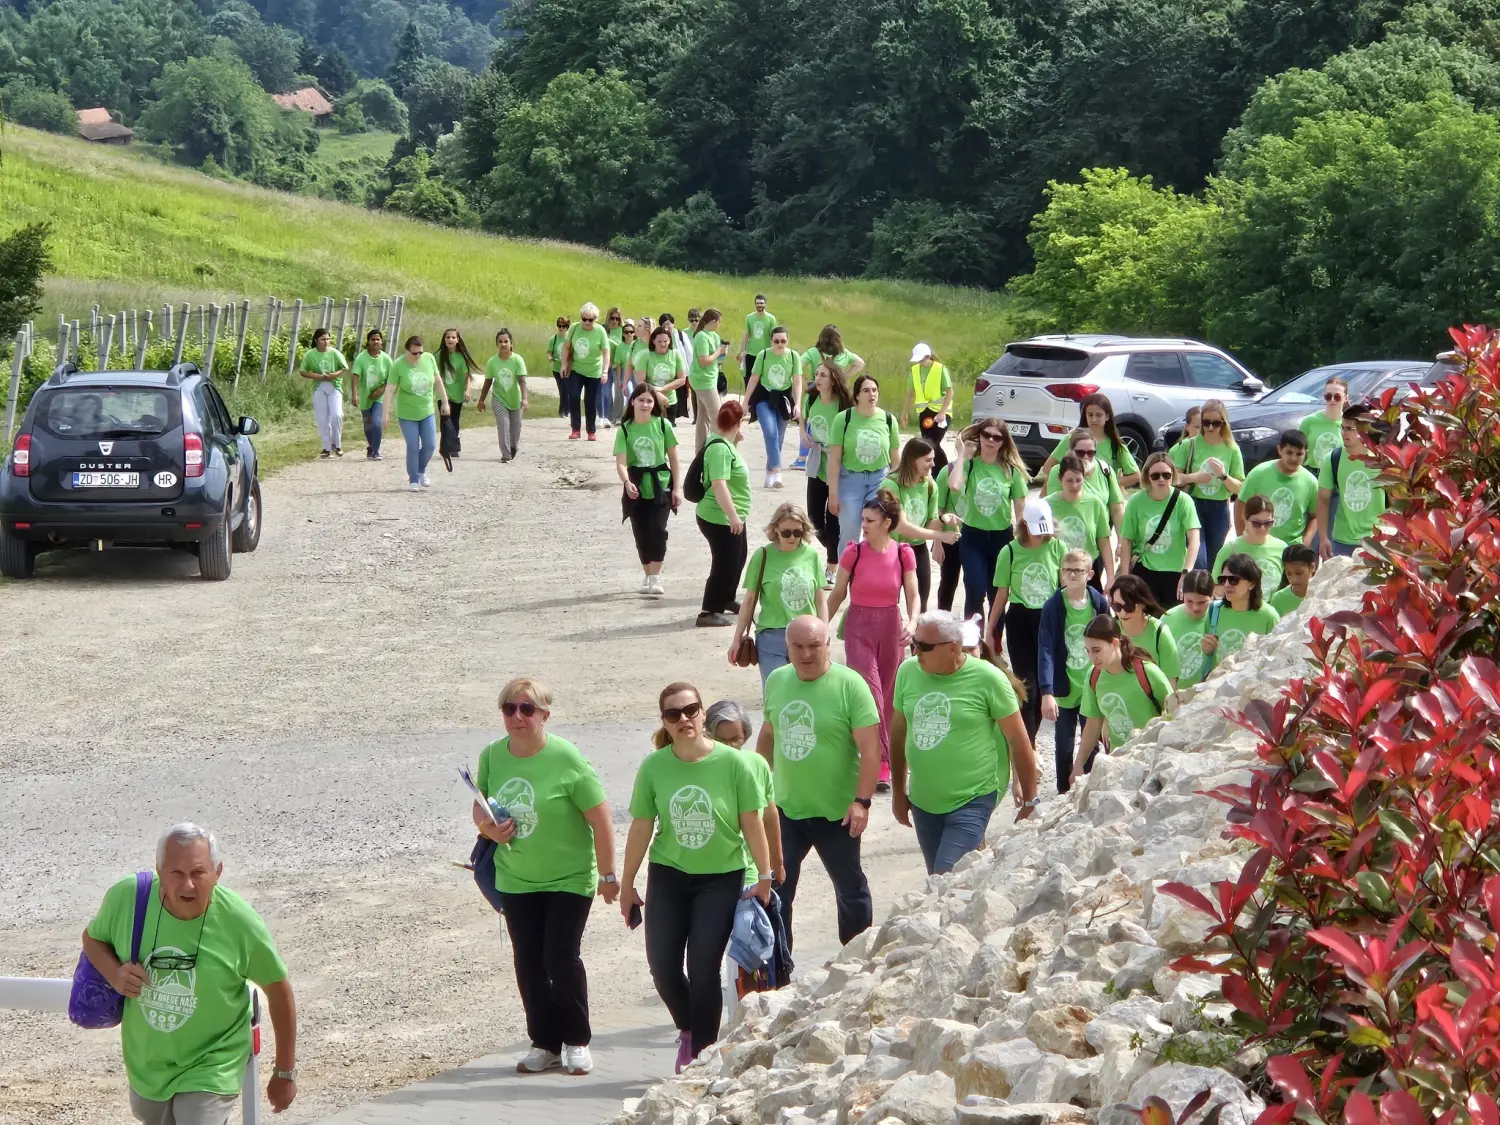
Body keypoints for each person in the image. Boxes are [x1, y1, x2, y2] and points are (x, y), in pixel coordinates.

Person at [82, 824, 297, 1125]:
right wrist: (115, 974)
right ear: (159, 870)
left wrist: (284, 1073)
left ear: (217, 872)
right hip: (148, 1063)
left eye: (198, 873)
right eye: (176, 873)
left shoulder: (239, 922)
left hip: (213, 1058)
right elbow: (93, 938)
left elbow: (278, 989)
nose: (188, 886)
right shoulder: (128, 899)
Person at [621, 683, 773, 1073]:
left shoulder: (734, 763)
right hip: (669, 873)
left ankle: (703, 1055)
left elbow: (752, 823)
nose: (684, 719)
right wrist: (626, 885)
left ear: (702, 713)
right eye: (674, 714)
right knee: (663, 966)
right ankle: (689, 1027)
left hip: (720, 876)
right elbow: (640, 827)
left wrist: (766, 875)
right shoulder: (654, 766)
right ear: (665, 723)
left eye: (691, 710)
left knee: (703, 967)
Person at [471, 679, 616, 1077]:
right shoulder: (491, 756)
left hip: (569, 877)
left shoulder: (567, 758)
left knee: (560, 957)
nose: (517, 716)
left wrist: (608, 875)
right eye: (509, 709)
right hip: (517, 877)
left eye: (527, 709)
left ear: (544, 715)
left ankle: (576, 1041)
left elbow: (601, 820)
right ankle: (544, 1042)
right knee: (529, 961)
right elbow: (480, 808)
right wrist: (488, 830)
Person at [755, 616, 881, 949]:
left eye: (814, 646)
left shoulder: (850, 685)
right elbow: (769, 733)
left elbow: (870, 751)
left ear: (828, 645)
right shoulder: (778, 680)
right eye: (798, 646)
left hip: (836, 812)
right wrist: (755, 785)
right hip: (786, 809)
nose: (806, 654)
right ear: (787, 647)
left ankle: (856, 959)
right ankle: (778, 967)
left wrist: (862, 802)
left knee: (850, 888)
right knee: (777, 888)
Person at [891, 611, 1041, 874]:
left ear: (952, 648)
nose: (916, 652)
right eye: (914, 643)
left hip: (971, 799)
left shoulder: (988, 679)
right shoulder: (907, 672)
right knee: (941, 884)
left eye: (924, 647)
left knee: (944, 876)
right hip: (924, 801)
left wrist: (1030, 801)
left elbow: (1019, 742)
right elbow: (899, 734)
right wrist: (897, 792)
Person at [986, 497, 1065, 742]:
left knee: (1045, 685)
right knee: (1026, 685)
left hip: (1048, 619)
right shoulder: (1009, 552)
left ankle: (1029, 741)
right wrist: (990, 630)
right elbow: (1001, 594)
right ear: (1024, 525)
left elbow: (1064, 589)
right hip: (1020, 618)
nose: (1041, 536)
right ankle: (1028, 749)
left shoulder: (1057, 548)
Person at [729, 503, 829, 687]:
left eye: (797, 532)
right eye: (786, 532)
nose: (792, 537)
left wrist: (824, 632)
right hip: (771, 636)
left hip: (806, 637)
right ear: (775, 528)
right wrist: (737, 639)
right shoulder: (762, 555)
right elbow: (749, 600)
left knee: (807, 691)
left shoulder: (812, 555)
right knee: (776, 693)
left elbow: (820, 599)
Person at [1072, 615, 1174, 786]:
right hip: (1117, 762)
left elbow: (1174, 713)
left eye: (1096, 650)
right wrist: (1078, 764)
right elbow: (1093, 723)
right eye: (1087, 651)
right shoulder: (1093, 676)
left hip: (1152, 761)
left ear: (1114, 643)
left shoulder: (1147, 672)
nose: (1092, 657)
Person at [1038, 550, 1110, 792]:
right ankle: (1063, 792)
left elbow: (1110, 639)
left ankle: (1089, 789)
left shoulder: (1098, 601)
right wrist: (1047, 691)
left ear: (1090, 574)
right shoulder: (1053, 606)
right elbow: (1046, 647)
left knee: (1092, 741)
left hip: (1093, 683)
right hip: (1065, 684)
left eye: (1078, 571)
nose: (1072, 575)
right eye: (1067, 570)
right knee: (1064, 744)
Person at [945, 420, 1030, 621]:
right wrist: (961, 456)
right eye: (986, 435)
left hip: (1002, 539)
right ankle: (973, 643)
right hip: (972, 537)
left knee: (997, 595)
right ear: (980, 437)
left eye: (997, 437)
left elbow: (1021, 512)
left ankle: (994, 644)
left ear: (1003, 442)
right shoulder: (970, 466)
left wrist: (1022, 543)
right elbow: (955, 485)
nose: (990, 440)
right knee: (974, 590)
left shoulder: (1011, 471)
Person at [617, 383, 683, 596]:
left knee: (657, 529)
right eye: (641, 400)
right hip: (636, 483)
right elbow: (620, 462)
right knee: (641, 533)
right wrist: (627, 482)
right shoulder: (625, 428)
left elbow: (674, 459)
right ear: (633, 401)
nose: (645, 404)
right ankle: (647, 575)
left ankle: (655, 577)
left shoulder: (663, 425)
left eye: (649, 400)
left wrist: (677, 489)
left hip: (660, 484)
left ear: (654, 404)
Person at [826, 374, 902, 558]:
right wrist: (833, 493)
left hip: (879, 479)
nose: (872, 395)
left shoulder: (888, 420)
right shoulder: (843, 419)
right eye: (866, 390)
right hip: (850, 480)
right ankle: (846, 576)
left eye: (875, 390)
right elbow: (834, 458)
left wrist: (896, 488)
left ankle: (875, 572)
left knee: (879, 529)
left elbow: (895, 458)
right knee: (850, 532)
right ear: (857, 395)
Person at [880, 438, 959, 612]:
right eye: (928, 460)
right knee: (887, 604)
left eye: (933, 459)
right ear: (913, 459)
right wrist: (940, 536)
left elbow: (930, 524)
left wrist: (944, 519)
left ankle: (917, 639)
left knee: (919, 606)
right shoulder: (890, 484)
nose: (933, 464)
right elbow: (901, 526)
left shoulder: (930, 485)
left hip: (918, 549)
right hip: (892, 550)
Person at [1120, 450, 1202, 608]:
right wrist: (1124, 576)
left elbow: (1194, 540)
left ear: (1173, 475)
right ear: (1147, 477)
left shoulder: (1184, 501)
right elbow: (1126, 539)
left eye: (1166, 475)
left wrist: (1186, 573)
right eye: (1155, 475)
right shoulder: (1136, 502)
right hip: (1145, 569)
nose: (1161, 479)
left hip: (1175, 572)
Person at [696, 400, 752, 627]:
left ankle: (727, 598)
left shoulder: (724, 443)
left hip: (730, 515)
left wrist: (735, 439)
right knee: (725, 563)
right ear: (738, 423)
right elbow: (719, 484)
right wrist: (732, 516)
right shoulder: (719, 448)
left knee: (738, 558)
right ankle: (708, 610)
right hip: (719, 517)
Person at [1171, 397, 1244, 568]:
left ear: (1223, 423)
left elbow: (1240, 488)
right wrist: (1194, 477)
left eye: (1216, 423)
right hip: (1193, 504)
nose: (1210, 427)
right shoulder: (1188, 445)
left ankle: (1205, 594)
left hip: (1219, 509)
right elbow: (1173, 478)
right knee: (1199, 559)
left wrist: (1224, 476)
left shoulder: (1232, 449)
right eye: (1206, 422)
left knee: (1214, 561)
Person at [1316, 404, 1387, 560]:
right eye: (1342, 427)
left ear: (1364, 430)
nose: (1344, 433)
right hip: (1343, 540)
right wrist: (1322, 538)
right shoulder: (1332, 458)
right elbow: (1323, 500)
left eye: (1350, 429)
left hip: (1377, 539)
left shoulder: (1382, 457)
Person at [802, 362, 853, 569]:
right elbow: (804, 418)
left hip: (838, 465)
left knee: (833, 517)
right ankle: (838, 548)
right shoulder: (811, 397)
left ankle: (832, 565)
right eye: (817, 374)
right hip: (817, 459)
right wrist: (802, 433)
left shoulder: (843, 403)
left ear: (833, 379)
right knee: (814, 517)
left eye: (823, 375)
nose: (818, 378)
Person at [383, 335, 450, 491]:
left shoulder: (429, 359)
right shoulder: (398, 365)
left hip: (426, 410)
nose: (418, 356)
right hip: (407, 413)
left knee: (430, 445)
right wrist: (385, 413)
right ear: (407, 351)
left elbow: (438, 380)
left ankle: (421, 470)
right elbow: (390, 390)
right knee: (413, 446)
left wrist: (445, 402)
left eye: (420, 352)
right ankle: (413, 478)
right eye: (414, 353)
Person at [743, 326, 805, 489]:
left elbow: (797, 381)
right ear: (771, 340)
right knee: (771, 433)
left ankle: (769, 473)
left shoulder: (793, 356)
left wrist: (797, 404)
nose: (780, 344)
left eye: (783, 341)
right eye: (776, 341)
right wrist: (745, 402)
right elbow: (754, 379)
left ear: (787, 341)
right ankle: (777, 471)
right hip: (764, 397)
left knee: (779, 437)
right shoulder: (763, 355)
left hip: (784, 399)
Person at [1037, 393, 1140, 488]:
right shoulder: (1071, 439)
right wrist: (1069, 481)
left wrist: (1108, 484)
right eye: (1090, 415)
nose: (1094, 419)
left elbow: (1136, 475)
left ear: (1107, 416)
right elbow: (1047, 468)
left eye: (1098, 415)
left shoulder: (1116, 445)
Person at [1199, 554, 1281, 673]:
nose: (1227, 585)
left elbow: (1276, 658)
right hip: (1218, 685)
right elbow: (1208, 655)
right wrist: (1206, 650)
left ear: (1251, 584)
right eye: (1223, 580)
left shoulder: (1269, 615)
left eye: (1233, 580)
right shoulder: (1214, 610)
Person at [1045, 453, 1115, 590]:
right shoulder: (1047, 504)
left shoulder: (1094, 503)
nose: (1074, 485)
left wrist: (1111, 576)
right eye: (1069, 480)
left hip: (1087, 570)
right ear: (1060, 480)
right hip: (1058, 571)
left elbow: (1104, 542)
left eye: (1078, 480)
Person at [1238, 430, 1319, 545]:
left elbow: (1314, 516)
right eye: (1289, 453)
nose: (1293, 458)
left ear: (1306, 453)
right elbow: (1241, 504)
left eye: (1299, 454)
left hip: (1292, 547)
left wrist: (1306, 540)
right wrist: (1242, 538)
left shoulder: (1311, 482)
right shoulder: (1259, 474)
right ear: (1279, 450)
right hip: (1261, 543)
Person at [1108, 574, 1181, 687]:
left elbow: (1170, 681)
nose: (1123, 613)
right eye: (1116, 607)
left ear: (1143, 604)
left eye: (1129, 607)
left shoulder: (1160, 632)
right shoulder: (1109, 630)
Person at [1045, 430, 1126, 530]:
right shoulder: (1058, 471)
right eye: (1080, 453)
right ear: (1071, 451)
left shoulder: (1105, 470)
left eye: (1091, 453)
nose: (1085, 457)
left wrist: (1121, 542)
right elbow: (1054, 507)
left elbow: (1117, 509)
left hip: (1099, 537)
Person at [1212, 495, 1288, 593]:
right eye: (1256, 523)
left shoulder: (1282, 548)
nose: (1262, 528)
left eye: (1268, 523)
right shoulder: (1230, 550)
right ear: (1245, 519)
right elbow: (1216, 587)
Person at [900, 344, 954, 471]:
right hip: (925, 412)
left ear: (928, 356)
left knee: (933, 443)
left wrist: (942, 413)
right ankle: (937, 471)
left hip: (941, 413)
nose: (920, 362)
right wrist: (904, 413)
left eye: (922, 359)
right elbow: (910, 393)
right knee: (928, 444)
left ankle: (942, 471)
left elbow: (950, 392)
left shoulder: (940, 369)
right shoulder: (914, 371)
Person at [477, 329, 528, 463]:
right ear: (497, 344)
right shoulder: (492, 362)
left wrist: (524, 399)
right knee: (503, 425)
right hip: (499, 399)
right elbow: (488, 382)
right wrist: (481, 400)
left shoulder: (518, 360)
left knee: (516, 428)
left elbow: (522, 381)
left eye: (506, 341)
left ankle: (513, 446)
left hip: (515, 399)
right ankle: (505, 453)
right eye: (500, 342)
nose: (503, 344)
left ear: (511, 343)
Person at [299, 326, 350, 459]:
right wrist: (317, 376)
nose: (326, 342)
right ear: (316, 340)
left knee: (336, 415)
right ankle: (327, 447)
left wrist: (334, 375)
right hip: (319, 387)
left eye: (328, 339)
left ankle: (337, 445)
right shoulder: (310, 354)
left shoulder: (334, 353)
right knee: (322, 418)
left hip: (334, 387)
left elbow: (344, 368)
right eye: (323, 339)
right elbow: (303, 371)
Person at [1161, 570, 1216, 691]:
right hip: (1178, 693)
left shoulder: (1219, 616)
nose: (1195, 608)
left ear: (1212, 595)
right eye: (1189, 601)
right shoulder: (1168, 619)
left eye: (1202, 602)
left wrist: (1214, 651)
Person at [562, 303, 610, 441]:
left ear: (595, 319)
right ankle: (575, 429)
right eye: (584, 319)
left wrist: (605, 371)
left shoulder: (600, 331)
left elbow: (606, 352)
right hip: (577, 368)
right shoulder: (574, 328)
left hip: (594, 370)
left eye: (591, 320)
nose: (587, 322)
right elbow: (566, 347)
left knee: (590, 400)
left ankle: (591, 431)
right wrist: (564, 364)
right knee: (574, 396)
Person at [687, 309, 730, 450]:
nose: (719, 325)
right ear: (712, 322)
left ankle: (700, 450)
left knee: (703, 416)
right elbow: (704, 361)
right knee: (717, 417)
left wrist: (722, 354)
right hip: (702, 380)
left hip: (710, 377)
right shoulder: (701, 337)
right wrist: (719, 352)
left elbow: (716, 360)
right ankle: (715, 448)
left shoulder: (714, 336)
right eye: (718, 322)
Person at [436, 328, 479, 467]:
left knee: (454, 420)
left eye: (453, 337)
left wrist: (467, 390)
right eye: (448, 337)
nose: (450, 340)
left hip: (458, 393)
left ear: (458, 340)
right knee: (445, 420)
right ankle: (445, 448)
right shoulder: (438, 356)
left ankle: (453, 446)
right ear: (444, 339)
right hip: (442, 394)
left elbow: (467, 377)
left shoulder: (461, 357)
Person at [351, 329, 392, 461]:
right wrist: (355, 395)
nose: (375, 342)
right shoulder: (361, 358)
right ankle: (371, 446)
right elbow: (355, 377)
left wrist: (381, 390)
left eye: (378, 339)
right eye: (373, 339)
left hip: (380, 397)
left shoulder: (386, 359)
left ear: (382, 342)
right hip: (365, 397)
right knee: (368, 426)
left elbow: (392, 379)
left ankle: (376, 451)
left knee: (376, 423)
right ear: (368, 342)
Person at [1299, 375, 1348, 472]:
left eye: (1337, 396)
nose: (1332, 400)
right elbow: (1298, 451)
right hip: (1312, 472)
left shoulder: (1350, 424)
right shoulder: (1309, 421)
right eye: (1328, 396)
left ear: (1346, 398)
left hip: (1338, 475)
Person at [739, 295, 776, 390]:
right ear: (755, 304)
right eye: (758, 303)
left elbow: (773, 337)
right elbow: (746, 334)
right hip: (751, 353)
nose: (759, 305)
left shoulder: (771, 318)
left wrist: (773, 353)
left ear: (765, 304)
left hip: (765, 353)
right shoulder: (749, 317)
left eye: (761, 303)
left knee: (762, 379)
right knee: (749, 378)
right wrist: (742, 351)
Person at [1269, 543, 1317, 616]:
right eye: (1289, 574)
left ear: (1312, 567)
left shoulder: (1323, 594)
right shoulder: (1278, 599)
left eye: (1299, 573)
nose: (1294, 579)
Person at [602, 308, 626, 427]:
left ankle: (618, 416)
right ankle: (607, 416)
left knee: (619, 392)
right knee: (606, 392)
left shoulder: (622, 331)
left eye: (617, 318)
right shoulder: (604, 330)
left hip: (618, 366)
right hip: (605, 365)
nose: (614, 321)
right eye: (612, 318)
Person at [547, 316, 570, 417]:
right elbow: (549, 352)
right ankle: (563, 410)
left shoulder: (569, 338)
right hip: (556, 368)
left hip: (567, 368)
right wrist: (550, 357)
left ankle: (565, 410)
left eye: (564, 326)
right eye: (559, 326)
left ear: (567, 327)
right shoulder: (554, 339)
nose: (561, 328)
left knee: (566, 389)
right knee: (562, 389)